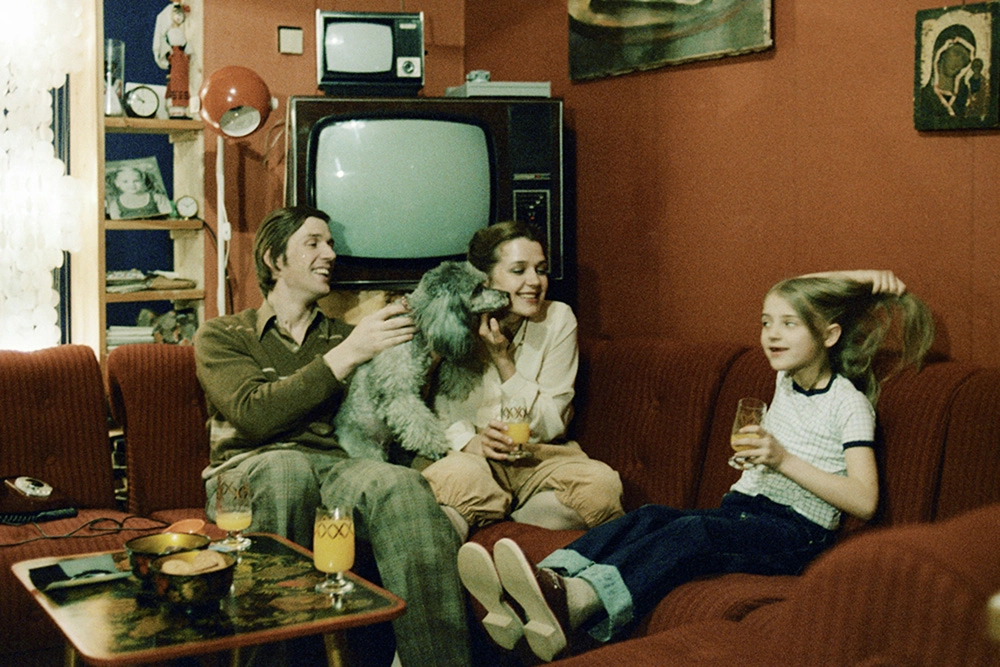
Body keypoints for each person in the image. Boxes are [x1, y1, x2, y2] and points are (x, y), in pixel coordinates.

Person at [457, 270, 936, 662]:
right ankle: (541, 581)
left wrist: (782, 459)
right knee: (651, 516)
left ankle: (578, 602)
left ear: (829, 334)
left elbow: (864, 500)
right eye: (766, 322)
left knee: (693, 533)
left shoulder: (849, 405)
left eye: (788, 324)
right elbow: (807, 287)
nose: (771, 334)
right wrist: (861, 279)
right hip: (744, 510)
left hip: (795, 535)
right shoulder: (786, 380)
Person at [193, 206, 471, 667]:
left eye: (331, 244)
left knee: (400, 485)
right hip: (242, 474)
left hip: (332, 470)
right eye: (314, 243)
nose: (330, 254)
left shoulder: (347, 336)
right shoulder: (224, 335)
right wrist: (349, 353)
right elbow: (255, 415)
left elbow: (387, 408)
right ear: (274, 260)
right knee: (287, 469)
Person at [421, 221, 624, 545]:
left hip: (538, 457)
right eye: (518, 270)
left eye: (540, 270)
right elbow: (429, 406)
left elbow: (553, 420)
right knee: (453, 482)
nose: (534, 281)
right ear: (484, 279)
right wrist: (469, 442)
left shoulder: (558, 318)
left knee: (601, 486)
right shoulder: (453, 322)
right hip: (471, 458)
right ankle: (488, 528)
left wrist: (504, 361)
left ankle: (503, 534)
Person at [153, 1, 192, 118]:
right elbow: (165, 45)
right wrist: (169, 54)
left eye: (180, 14)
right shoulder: (169, 33)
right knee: (175, 83)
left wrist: (188, 53)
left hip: (181, 61)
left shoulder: (180, 32)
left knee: (182, 83)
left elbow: (185, 45)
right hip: (175, 60)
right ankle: (174, 109)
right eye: (176, 14)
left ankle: (182, 110)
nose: (179, 17)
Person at [105, 166, 173, 219]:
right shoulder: (116, 204)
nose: (132, 185)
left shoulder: (157, 198)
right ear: (117, 183)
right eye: (125, 182)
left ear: (142, 181)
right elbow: (115, 224)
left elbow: (169, 217)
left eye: (136, 181)